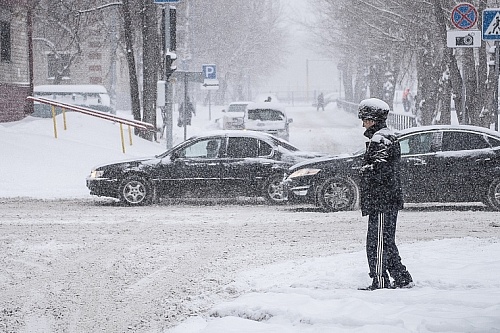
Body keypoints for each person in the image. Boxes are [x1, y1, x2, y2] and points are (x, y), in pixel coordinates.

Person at [357, 98, 413, 291]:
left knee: (377, 242)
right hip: (386, 199)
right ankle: (401, 276)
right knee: (386, 240)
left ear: (372, 119)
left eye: (364, 118)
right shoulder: (385, 137)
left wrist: (364, 171)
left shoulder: (381, 139)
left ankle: (380, 281)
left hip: (381, 200)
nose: (362, 123)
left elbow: (380, 171)